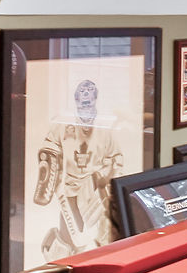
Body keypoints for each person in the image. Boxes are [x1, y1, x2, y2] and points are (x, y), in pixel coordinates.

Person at [32, 79, 124, 258]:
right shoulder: (62, 125)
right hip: (70, 189)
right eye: (82, 95)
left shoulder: (104, 128)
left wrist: (108, 179)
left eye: (90, 95)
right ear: (75, 100)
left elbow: (116, 158)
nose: (86, 98)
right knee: (72, 235)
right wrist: (51, 169)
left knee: (98, 236)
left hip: (95, 190)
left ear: (95, 99)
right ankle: (58, 260)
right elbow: (49, 149)